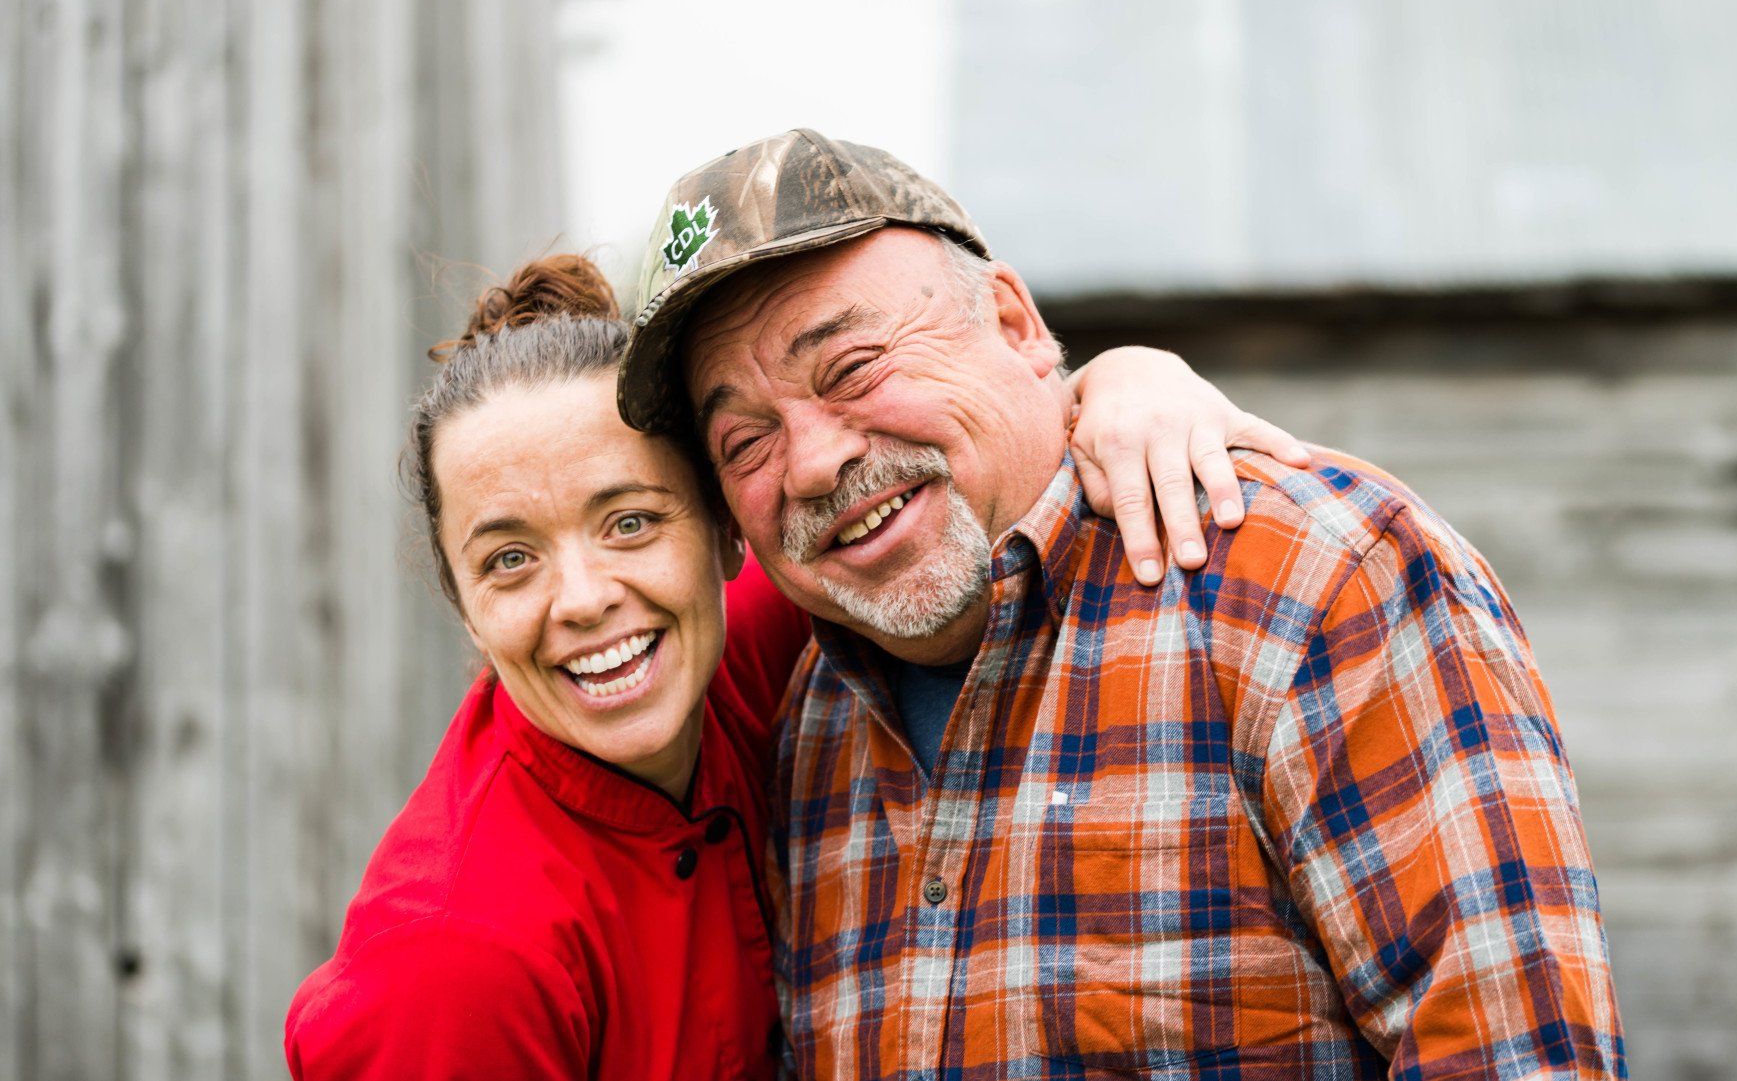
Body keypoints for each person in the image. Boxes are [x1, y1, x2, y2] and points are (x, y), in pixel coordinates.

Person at [622, 129, 1629, 1079]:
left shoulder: (1313, 584)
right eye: (744, 444)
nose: (815, 461)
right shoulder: (808, 729)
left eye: (852, 368)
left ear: (1014, 324)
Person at [283, 253, 1310, 1080]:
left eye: (632, 522)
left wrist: (1124, 381)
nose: (584, 596)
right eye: (509, 559)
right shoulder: (456, 962)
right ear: (465, 609)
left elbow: (941, 468)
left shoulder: (739, 652)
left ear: (728, 539)